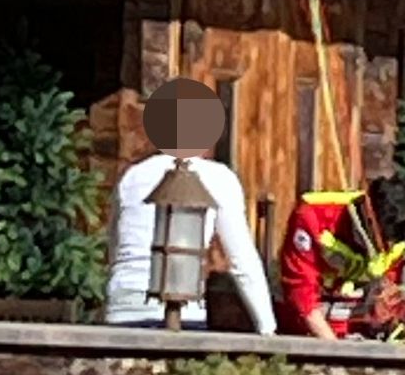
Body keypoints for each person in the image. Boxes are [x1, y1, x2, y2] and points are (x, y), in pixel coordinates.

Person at [104, 79, 277, 336]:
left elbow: (115, 245)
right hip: (183, 310)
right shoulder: (217, 178)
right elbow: (242, 260)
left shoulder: (132, 177)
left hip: (122, 309)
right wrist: (267, 328)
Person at [278, 178, 405, 340]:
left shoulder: (402, 237)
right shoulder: (312, 216)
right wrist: (337, 351)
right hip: (315, 331)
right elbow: (301, 296)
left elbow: (396, 292)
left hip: (369, 331)